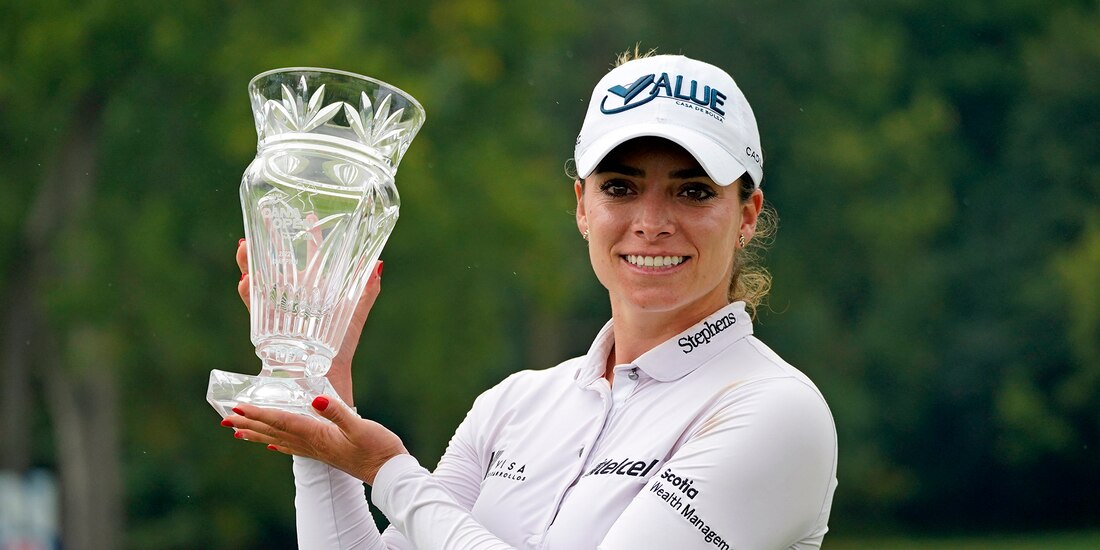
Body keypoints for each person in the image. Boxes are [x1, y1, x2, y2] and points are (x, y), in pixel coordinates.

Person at [223, 50, 838, 549]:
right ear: (581, 206)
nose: (651, 223)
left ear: (748, 214)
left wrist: (387, 471)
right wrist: (320, 393)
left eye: (693, 191)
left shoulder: (777, 412)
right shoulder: (516, 404)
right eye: (620, 187)